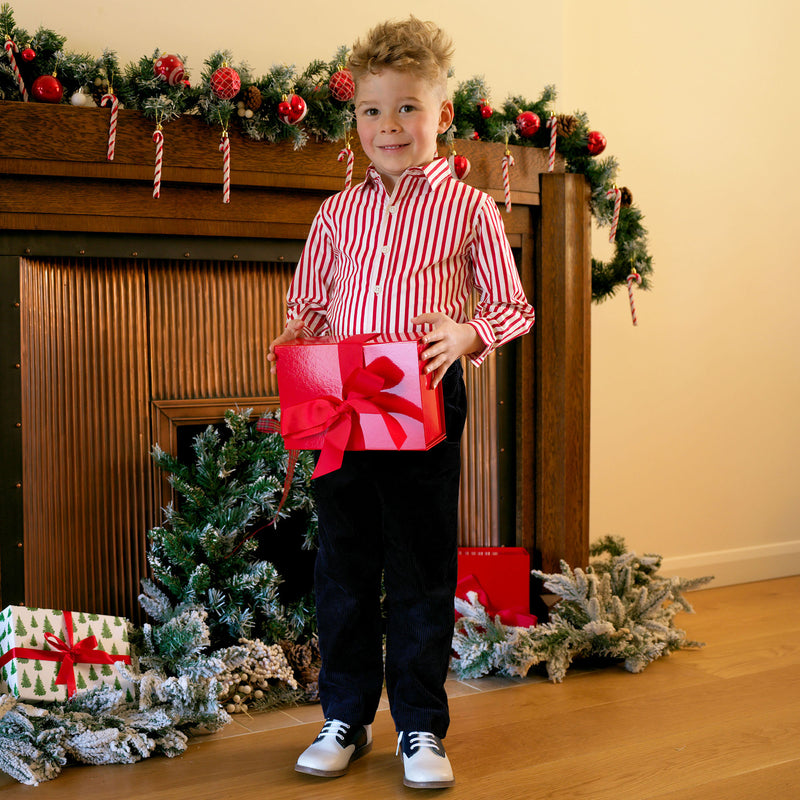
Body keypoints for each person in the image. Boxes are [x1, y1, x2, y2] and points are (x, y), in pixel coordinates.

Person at [267, 16, 535, 790]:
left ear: (442, 115)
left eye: (407, 108)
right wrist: (296, 333)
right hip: (342, 402)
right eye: (372, 111)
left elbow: (513, 309)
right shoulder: (336, 213)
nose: (389, 126)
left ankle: (420, 726)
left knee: (420, 565)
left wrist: (465, 333)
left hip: (423, 399)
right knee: (344, 563)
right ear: (354, 118)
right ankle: (344, 715)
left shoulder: (472, 210)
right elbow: (311, 302)